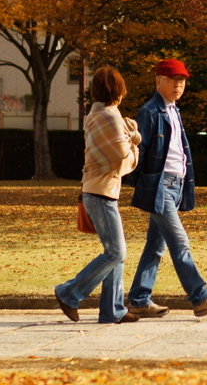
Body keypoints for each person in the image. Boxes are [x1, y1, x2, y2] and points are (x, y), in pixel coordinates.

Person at [126, 59, 207, 318]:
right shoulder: (150, 111)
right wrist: (144, 184)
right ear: (158, 81)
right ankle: (201, 296)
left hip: (175, 186)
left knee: (155, 247)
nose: (178, 85)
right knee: (180, 242)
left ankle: (139, 299)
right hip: (160, 187)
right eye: (173, 80)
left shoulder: (174, 110)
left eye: (182, 81)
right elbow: (138, 152)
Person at [55, 66, 142, 324]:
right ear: (117, 91)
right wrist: (135, 144)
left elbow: (120, 145)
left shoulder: (97, 114)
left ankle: (112, 310)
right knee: (116, 252)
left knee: (115, 251)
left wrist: (131, 137)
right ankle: (69, 292)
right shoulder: (109, 117)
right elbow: (123, 159)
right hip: (101, 193)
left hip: (98, 192)